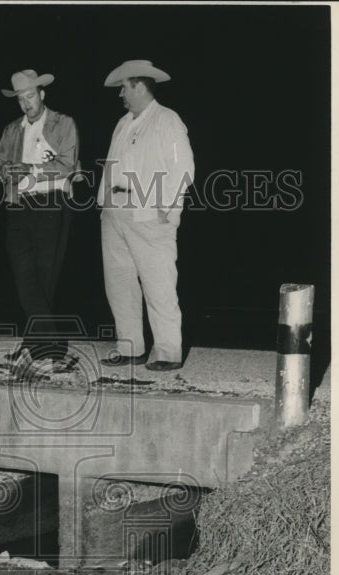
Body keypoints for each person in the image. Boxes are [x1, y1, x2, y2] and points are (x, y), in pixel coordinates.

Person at [99, 60, 195, 372]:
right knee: (119, 283)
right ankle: (130, 348)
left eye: (124, 88)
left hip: (148, 210)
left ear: (140, 86)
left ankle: (167, 351)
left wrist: (167, 208)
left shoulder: (167, 120)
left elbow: (184, 170)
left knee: (158, 284)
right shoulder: (123, 122)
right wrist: (103, 204)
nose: (121, 95)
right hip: (115, 213)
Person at [0, 69, 79, 366]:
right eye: (20, 99)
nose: (26, 103)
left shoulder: (63, 123)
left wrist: (31, 170)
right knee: (23, 276)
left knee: (45, 277)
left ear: (42, 94)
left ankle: (35, 347)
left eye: (30, 96)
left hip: (52, 204)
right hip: (19, 204)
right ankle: (51, 346)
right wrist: (8, 171)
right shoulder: (12, 129)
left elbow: (68, 165)